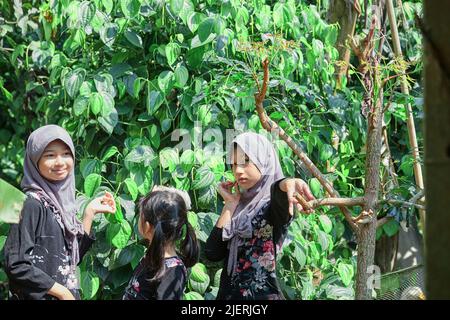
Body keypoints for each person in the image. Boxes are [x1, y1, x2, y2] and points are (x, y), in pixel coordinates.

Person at [4, 124, 116, 300]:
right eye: (50, 155)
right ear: (35, 160)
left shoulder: (59, 204)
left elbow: (69, 260)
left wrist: (89, 214)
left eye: (66, 154)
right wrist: (62, 292)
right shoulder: (30, 205)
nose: (60, 162)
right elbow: (16, 264)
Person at [205, 132, 315, 300]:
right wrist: (230, 205)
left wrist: (287, 183)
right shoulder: (239, 207)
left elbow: (278, 192)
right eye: (234, 165)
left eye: (246, 161)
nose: (238, 170)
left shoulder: (273, 206)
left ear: (264, 161)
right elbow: (212, 253)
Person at [122, 186, 199, 300]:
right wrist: (155, 199)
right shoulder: (156, 256)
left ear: (147, 226)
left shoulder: (172, 272)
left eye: (140, 215)